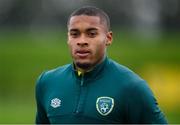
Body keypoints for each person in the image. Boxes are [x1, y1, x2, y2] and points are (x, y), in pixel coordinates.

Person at [35, 6, 167, 124]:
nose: (82, 41)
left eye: (91, 34)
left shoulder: (132, 88)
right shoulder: (47, 82)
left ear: (108, 38)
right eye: (75, 34)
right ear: (68, 38)